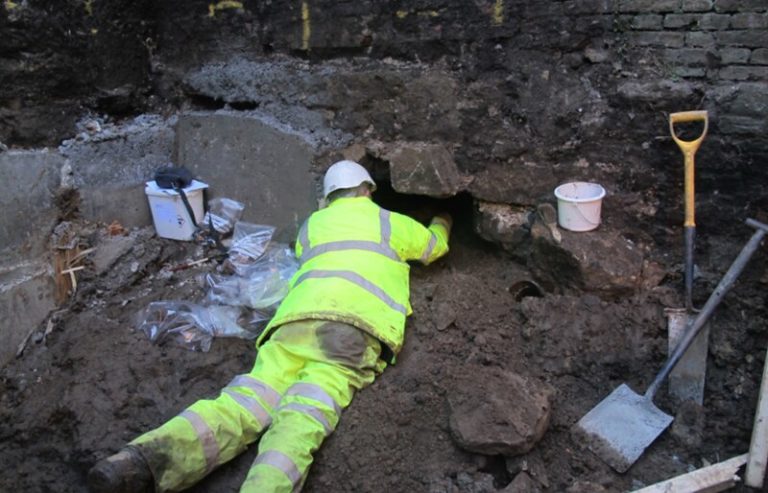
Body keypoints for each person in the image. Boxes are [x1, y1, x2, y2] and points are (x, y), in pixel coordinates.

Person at [88, 160, 452, 493]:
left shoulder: (312, 226)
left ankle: (144, 461)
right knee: (304, 412)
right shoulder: (388, 221)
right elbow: (433, 248)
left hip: (292, 324)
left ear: (327, 198)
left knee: (245, 400)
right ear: (368, 189)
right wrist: (444, 220)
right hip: (349, 332)